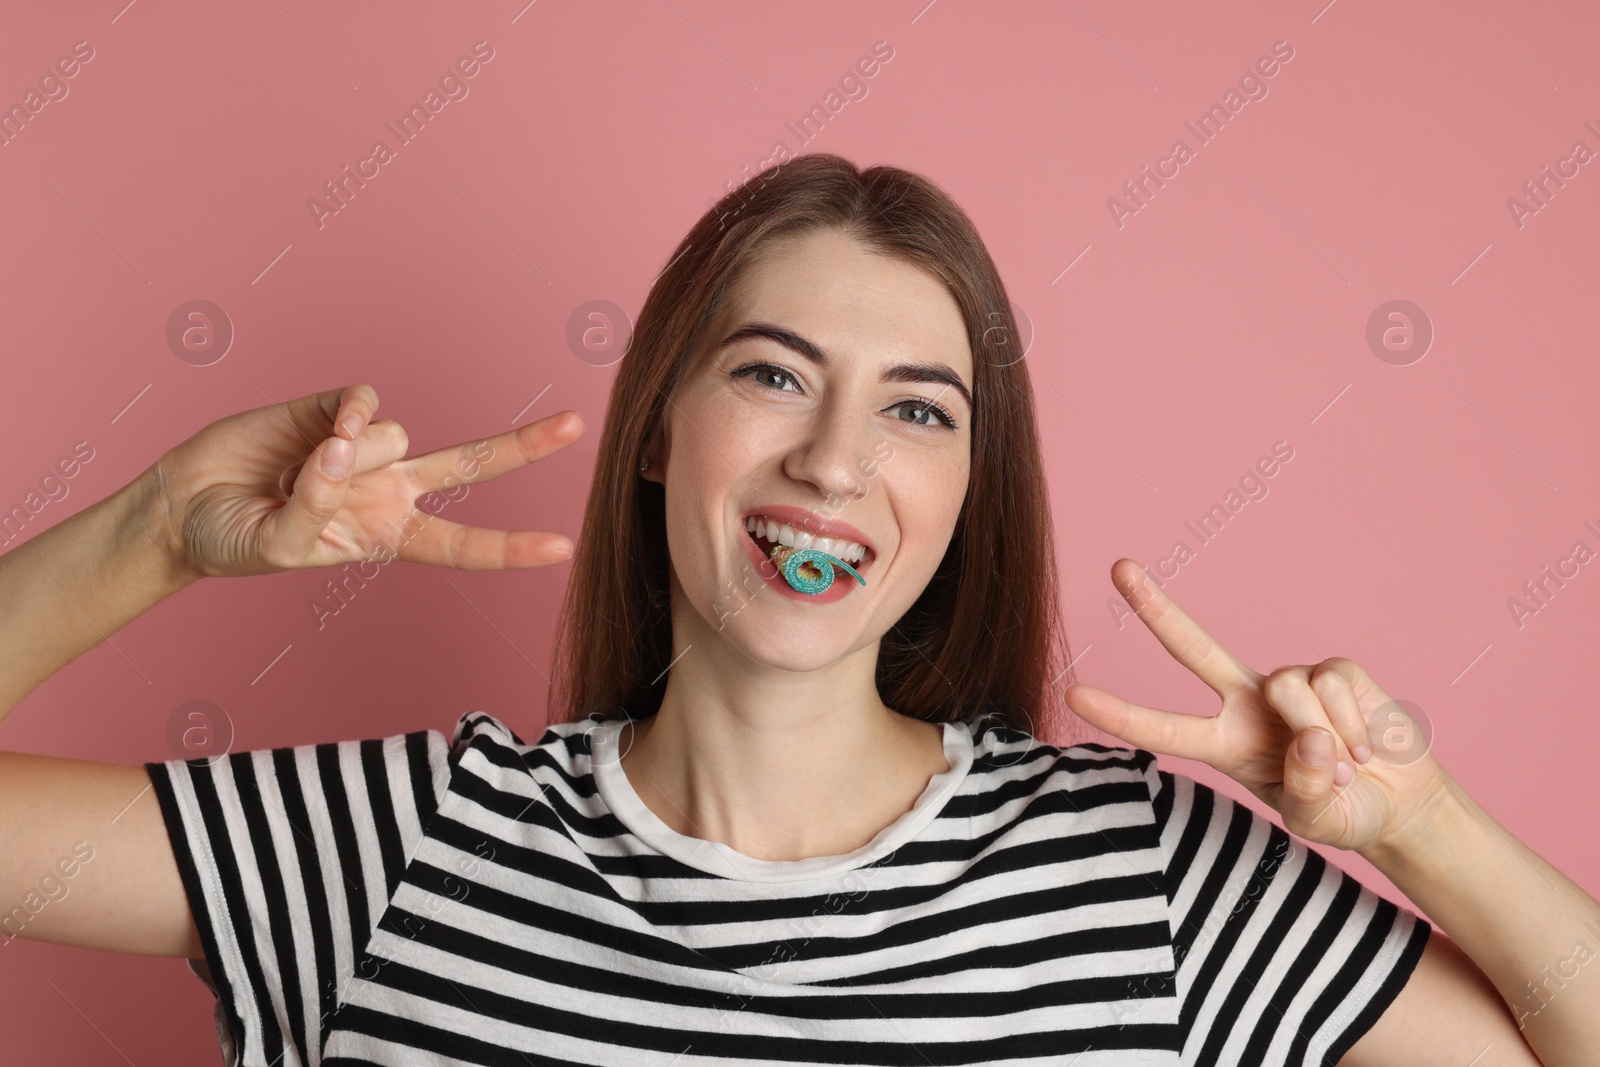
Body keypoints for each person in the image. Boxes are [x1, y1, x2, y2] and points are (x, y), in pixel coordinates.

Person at [0, 153, 1592, 1067]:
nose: (833, 461)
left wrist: (1419, 823)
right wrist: (157, 534)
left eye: (917, 410)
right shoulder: (403, 847)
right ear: (657, 433)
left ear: (969, 496)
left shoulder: (1153, 876)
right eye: (772, 376)